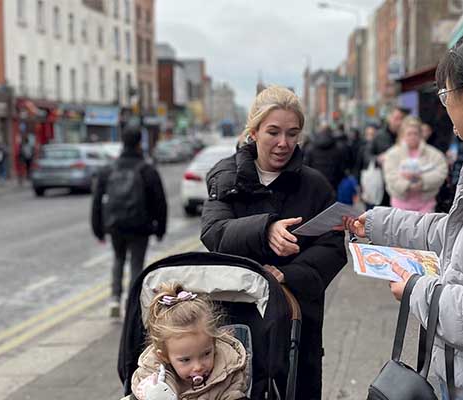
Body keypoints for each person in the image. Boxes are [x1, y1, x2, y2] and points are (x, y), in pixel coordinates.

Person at [339, 29, 463, 398]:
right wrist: (382, 222)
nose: (444, 105)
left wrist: (416, 289)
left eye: (445, 94)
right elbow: (461, 235)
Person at [201, 85, 346, 400]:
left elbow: (334, 247)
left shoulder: (315, 184)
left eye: (292, 134)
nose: (284, 143)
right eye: (273, 132)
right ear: (253, 132)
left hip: (298, 318)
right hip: (238, 317)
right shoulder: (227, 177)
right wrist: (265, 230)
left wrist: (287, 275)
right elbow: (214, 232)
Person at [91, 126, 168, 318]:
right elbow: (160, 201)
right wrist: (160, 228)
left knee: (118, 259)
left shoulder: (108, 170)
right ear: (139, 143)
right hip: (140, 225)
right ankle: (131, 302)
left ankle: (115, 298)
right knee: (136, 263)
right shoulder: (147, 170)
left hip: (115, 224)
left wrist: (98, 228)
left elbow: (97, 202)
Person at [128, 282, 248, 400]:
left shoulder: (228, 373)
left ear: (214, 343)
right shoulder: (150, 381)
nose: (198, 367)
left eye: (206, 354)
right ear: (164, 356)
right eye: (185, 360)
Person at [383, 116, 448, 213]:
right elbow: (390, 176)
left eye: (415, 133)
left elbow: (441, 172)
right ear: (402, 135)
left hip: (426, 205)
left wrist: (422, 180)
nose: (412, 136)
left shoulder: (434, 154)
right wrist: (407, 184)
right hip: (400, 205)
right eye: (409, 134)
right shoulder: (392, 154)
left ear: (421, 135)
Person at [364, 107, 410, 206]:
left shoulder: (408, 137)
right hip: (382, 185)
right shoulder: (379, 136)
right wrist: (377, 159)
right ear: (390, 118)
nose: (398, 122)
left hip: (403, 185)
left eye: (401, 119)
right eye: (396, 118)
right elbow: (367, 155)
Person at [302, 123, 345, 191]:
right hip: (332, 183)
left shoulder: (310, 148)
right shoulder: (338, 149)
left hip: (314, 183)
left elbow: (306, 166)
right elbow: (341, 168)